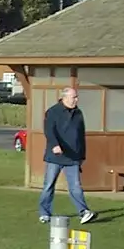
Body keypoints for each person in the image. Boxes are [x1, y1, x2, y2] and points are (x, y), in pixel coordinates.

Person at [40, 85, 96, 224]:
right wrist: (55, 145)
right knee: (49, 185)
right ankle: (44, 212)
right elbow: (49, 131)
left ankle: (83, 212)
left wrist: (82, 155)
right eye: (73, 97)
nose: (76, 100)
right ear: (65, 97)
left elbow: (80, 135)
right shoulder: (53, 112)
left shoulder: (78, 113)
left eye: (76, 97)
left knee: (76, 186)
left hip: (73, 157)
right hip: (55, 156)